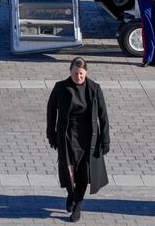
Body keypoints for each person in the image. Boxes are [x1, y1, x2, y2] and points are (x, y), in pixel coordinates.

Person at [46, 57, 110, 222]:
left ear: (86, 72)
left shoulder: (94, 89)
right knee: (68, 170)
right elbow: (51, 110)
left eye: (81, 74)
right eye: (75, 73)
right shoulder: (61, 87)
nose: (78, 77)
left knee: (83, 173)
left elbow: (103, 116)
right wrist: (51, 134)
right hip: (67, 136)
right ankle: (70, 193)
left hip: (87, 137)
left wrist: (105, 140)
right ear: (70, 71)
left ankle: (78, 204)